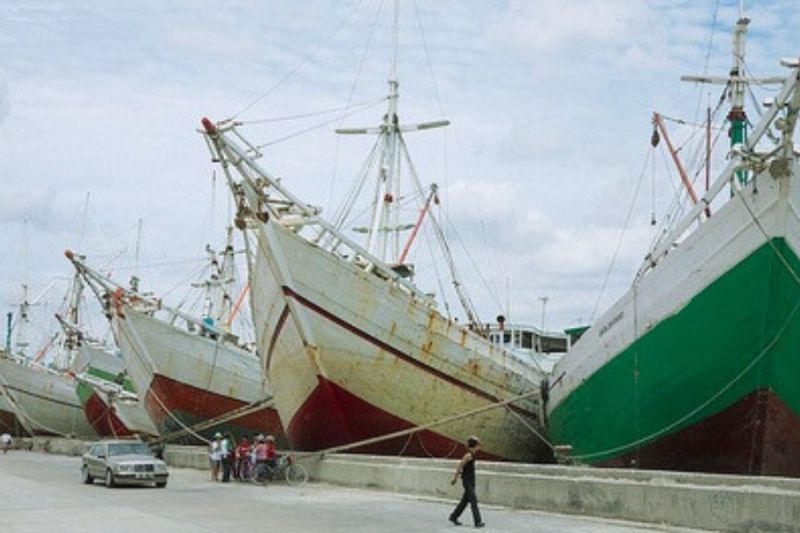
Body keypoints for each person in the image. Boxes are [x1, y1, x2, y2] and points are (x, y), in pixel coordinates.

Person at [449, 436, 485, 528]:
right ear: (474, 446)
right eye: (478, 445)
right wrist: (455, 478)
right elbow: (460, 466)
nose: (479, 446)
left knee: (465, 501)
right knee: (473, 500)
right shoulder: (468, 455)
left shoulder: (472, 454)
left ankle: (454, 516)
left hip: (471, 480)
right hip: (467, 481)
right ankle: (478, 521)